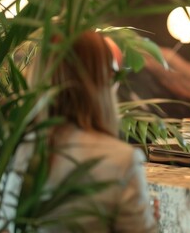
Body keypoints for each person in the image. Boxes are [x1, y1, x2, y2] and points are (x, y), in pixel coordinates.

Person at [22, 30, 158, 232]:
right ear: (101, 80)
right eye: (114, 72)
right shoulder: (121, 161)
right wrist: (150, 220)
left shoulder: (16, 150)